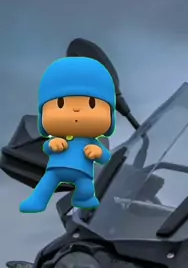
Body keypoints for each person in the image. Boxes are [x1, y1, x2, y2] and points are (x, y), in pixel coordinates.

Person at [19, 56, 116, 213]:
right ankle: (37, 201)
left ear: (110, 118)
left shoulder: (91, 141)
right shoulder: (58, 138)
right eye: (60, 104)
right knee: (46, 184)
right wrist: (52, 144)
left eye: (92, 104)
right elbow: (47, 147)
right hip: (56, 169)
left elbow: (105, 158)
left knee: (86, 189)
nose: (76, 110)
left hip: (83, 173)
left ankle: (83, 200)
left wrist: (98, 152)